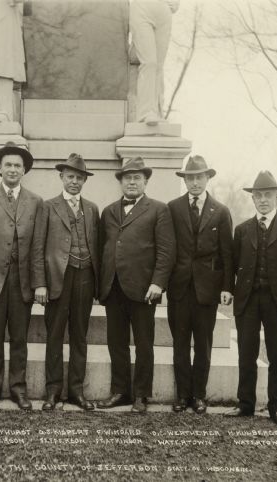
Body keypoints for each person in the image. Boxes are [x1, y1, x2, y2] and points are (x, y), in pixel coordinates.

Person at [225, 171, 277, 427]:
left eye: (268, 195)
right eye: (258, 195)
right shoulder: (242, 230)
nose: (263, 200)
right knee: (246, 353)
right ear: (252, 198)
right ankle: (246, 405)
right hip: (248, 300)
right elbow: (232, 264)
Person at [98, 157, 176, 413]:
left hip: (144, 289)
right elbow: (103, 248)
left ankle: (142, 395)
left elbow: (166, 251)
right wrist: (101, 286)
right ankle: (120, 391)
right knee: (116, 343)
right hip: (113, 287)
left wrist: (158, 283)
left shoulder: (158, 209)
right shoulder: (108, 211)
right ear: (120, 181)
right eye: (127, 178)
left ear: (145, 181)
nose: (132, 182)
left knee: (144, 343)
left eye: (137, 178)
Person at [0, 141, 44, 410]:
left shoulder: (35, 201)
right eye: (8, 165)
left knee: (19, 338)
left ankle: (18, 388)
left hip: (22, 281)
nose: (13, 169)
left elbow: (38, 247)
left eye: (18, 165)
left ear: (24, 170)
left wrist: (38, 283)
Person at [167, 155, 234, 414]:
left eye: (199, 177)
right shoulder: (172, 208)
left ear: (208, 178)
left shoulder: (221, 211)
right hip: (179, 287)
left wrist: (227, 287)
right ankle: (183, 395)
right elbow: (167, 248)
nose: (194, 182)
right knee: (180, 344)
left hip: (207, 290)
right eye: (190, 177)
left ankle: (199, 396)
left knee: (203, 345)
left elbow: (227, 254)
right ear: (184, 180)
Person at [34, 153, 100, 412]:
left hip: (85, 277)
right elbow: (38, 247)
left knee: (79, 336)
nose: (74, 181)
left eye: (79, 178)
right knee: (54, 336)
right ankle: (52, 391)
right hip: (57, 279)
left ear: (84, 181)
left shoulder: (92, 209)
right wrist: (40, 283)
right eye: (70, 176)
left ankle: (76, 391)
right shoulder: (47, 206)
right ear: (61, 177)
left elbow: (95, 246)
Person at [129, 0, 179, 125]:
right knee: (149, 62)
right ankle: (145, 113)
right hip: (141, 8)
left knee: (158, 66)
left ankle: (157, 111)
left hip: (163, 10)